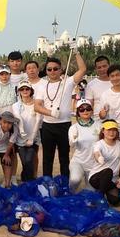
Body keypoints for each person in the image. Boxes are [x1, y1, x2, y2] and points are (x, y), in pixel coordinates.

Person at [34, 48, 87, 177]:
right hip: (48, 126)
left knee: (64, 157)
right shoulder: (42, 85)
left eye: (55, 69)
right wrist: (50, 113)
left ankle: (64, 183)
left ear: (61, 70)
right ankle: (47, 182)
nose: (52, 71)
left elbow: (82, 70)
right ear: (46, 71)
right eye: (49, 69)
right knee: (47, 158)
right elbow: (37, 106)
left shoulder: (67, 83)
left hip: (64, 125)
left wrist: (76, 52)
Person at [11, 80, 42, 182]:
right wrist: (21, 130)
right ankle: (27, 181)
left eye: (27, 88)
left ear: (31, 90)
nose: (25, 91)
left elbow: (38, 121)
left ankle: (28, 181)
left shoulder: (37, 105)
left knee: (29, 161)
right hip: (20, 139)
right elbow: (18, 118)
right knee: (25, 162)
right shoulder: (15, 106)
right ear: (19, 91)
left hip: (34, 138)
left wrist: (32, 138)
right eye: (22, 89)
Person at [88, 119, 120, 205]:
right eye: (109, 130)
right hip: (97, 177)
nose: (111, 133)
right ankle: (99, 197)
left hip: (112, 179)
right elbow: (97, 153)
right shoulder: (99, 144)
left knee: (115, 201)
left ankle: (100, 192)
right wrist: (99, 158)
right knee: (108, 171)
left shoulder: (119, 144)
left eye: (114, 130)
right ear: (103, 131)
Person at [68, 98, 100, 191]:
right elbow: (72, 145)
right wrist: (74, 140)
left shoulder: (99, 125)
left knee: (91, 192)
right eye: (82, 109)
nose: (85, 111)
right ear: (78, 112)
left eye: (88, 108)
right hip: (78, 161)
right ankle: (70, 193)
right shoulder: (74, 127)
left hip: (94, 164)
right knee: (75, 179)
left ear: (92, 110)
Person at [84, 56, 111, 120]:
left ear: (109, 66)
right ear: (96, 69)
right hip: (98, 121)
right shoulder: (91, 85)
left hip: (116, 121)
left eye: (104, 66)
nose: (102, 69)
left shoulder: (116, 82)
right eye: (99, 67)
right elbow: (89, 106)